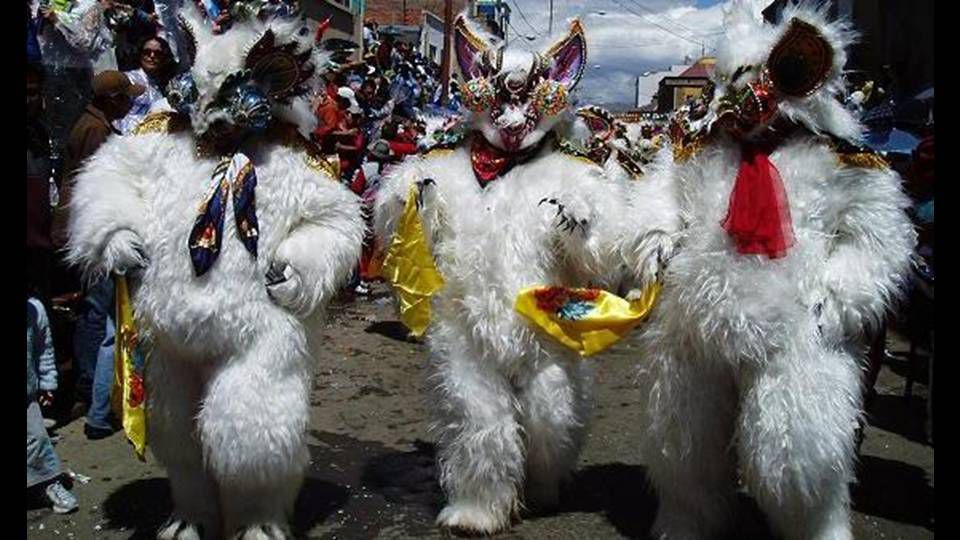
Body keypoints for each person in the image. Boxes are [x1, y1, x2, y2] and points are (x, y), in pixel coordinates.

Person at [51, 70, 143, 434]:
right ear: (111, 99)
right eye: (126, 97)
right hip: (98, 233)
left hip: (90, 230)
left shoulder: (93, 123)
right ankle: (97, 403)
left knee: (98, 315)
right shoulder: (96, 131)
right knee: (105, 321)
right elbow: (100, 187)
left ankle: (94, 396)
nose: (131, 102)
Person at [27, 291, 79, 514]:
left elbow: (44, 349)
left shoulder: (34, 309)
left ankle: (48, 483)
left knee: (37, 440)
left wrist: (47, 382)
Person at [115, 35, 176, 134]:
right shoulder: (128, 79)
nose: (152, 56)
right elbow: (116, 117)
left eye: (157, 53)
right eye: (147, 52)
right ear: (140, 54)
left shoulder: (163, 85)